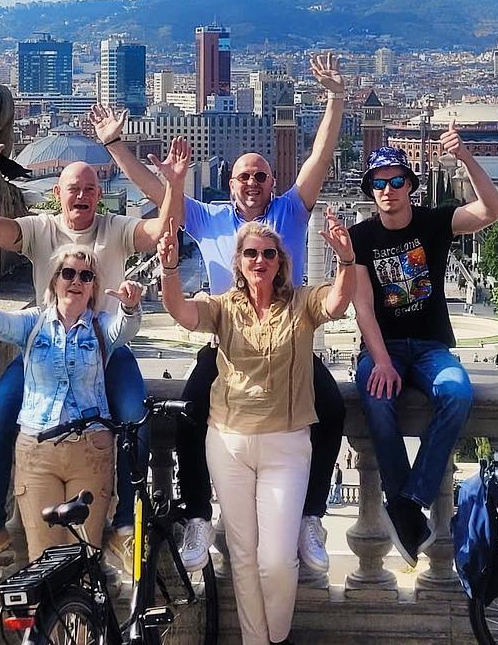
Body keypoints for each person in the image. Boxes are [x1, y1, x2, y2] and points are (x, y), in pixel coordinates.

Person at [95, 51, 349, 575]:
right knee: (189, 414)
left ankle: (310, 516)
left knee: (334, 409)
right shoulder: (208, 219)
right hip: (226, 341)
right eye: (243, 177)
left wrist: (335, 100)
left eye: (260, 176)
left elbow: (320, 158)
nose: (252, 184)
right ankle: (195, 516)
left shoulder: (291, 211)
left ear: (271, 184)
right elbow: (154, 189)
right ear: (230, 185)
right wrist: (116, 146)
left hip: (289, 339)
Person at [0, 130, 177, 575]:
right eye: (73, 189)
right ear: (57, 194)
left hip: (106, 346)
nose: (82, 195)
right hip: (43, 348)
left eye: (90, 189)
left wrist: (173, 185)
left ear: (99, 195)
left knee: (135, 417)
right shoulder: (40, 227)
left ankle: (122, 526)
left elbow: (160, 230)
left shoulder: (116, 227)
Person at [159, 215, 357, 645]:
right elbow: (181, 312)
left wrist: (345, 260)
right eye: (251, 253)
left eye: (268, 253)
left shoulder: (302, 302)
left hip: (286, 445)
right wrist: (170, 270)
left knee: (276, 561)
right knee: (243, 557)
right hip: (227, 443)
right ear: (239, 261)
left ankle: (277, 635)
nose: (260, 260)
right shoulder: (224, 306)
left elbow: (338, 303)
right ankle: (255, 641)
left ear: (281, 261)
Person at [349, 137, 498, 565]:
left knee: (457, 392)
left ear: (410, 185)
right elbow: (362, 304)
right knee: (378, 398)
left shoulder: (435, 223)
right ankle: (403, 504)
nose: (388, 190)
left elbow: (493, 210)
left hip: (432, 347)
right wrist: (379, 359)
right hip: (386, 348)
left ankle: (407, 500)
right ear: (370, 191)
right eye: (379, 183)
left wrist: (466, 157)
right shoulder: (360, 237)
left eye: (397, 180)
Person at [0, 247, 142, 558]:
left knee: (84, 558)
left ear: (93, 286)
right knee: (43, 558)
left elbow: (124, 327)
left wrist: (131, 307)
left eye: (86, 276)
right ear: (55, 281)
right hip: (38, 450)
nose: (76, 281)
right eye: (68, 273)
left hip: (90, 449)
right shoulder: (33, 323)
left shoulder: (100, 326)